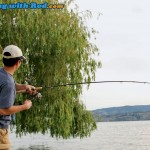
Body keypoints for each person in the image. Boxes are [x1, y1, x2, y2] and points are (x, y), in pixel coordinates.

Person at [0, 45, 36, 150]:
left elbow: (9, 85)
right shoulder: (8, 83)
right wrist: (24, 106)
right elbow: (3, 110)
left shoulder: (3, 74)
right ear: (18, 63)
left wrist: (25, 86)